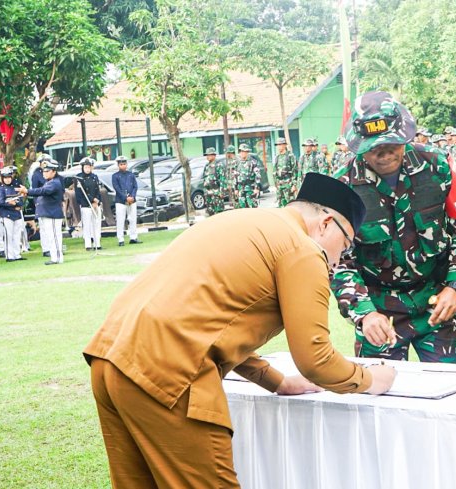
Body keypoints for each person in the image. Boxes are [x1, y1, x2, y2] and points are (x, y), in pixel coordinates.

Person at [84, 172, 397, 488]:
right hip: (169, 372)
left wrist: (276, 381)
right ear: (326, 224)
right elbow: (315, 358)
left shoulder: (242, 221)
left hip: (109, 358)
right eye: (344, 245)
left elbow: (207, 318)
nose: (337, 261)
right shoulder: (302, 248)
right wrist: (371, 380)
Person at [332, 91, 456, 364]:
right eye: (374, 148)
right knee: (381, 397)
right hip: (379, 313)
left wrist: (455, 286)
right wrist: (364, 313)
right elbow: (338, 261)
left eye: (392, 144)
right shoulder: (343, 187)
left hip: (435, 304)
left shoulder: (438, 165)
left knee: (452, 392)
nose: (384, 154)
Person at [18, 160, 65, 265]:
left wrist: (27, 191)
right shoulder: (50, 182)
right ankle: (54, 257)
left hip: (52, 213)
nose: (45, 173)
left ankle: (57, 257)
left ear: (53, 172)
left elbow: (42, 191)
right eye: (44, 171)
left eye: (47, 171)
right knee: (51, 236)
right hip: (48, 213)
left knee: (55, 237)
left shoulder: (55, 182)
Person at [0, 166, 26, 262]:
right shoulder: (0, 188)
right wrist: (11, 204)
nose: (7, 179)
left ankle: (17, 254)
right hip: (6, 214)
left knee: (17, 235)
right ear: (2, 178)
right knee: (8, 235)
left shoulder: (16, 187)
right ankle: (9, 256)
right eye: (5, 177)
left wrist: (16, 203)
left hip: (16, 214)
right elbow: (0, 202)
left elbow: (21, 200)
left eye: (9, 177)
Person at [111, 155, 141, 245]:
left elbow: (135, 186)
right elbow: (117, 188)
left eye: (124, 164)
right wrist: (125, 198)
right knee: (120, 220)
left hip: (132, 201)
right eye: (121, 164)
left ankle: (133, 237)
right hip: (121, 201)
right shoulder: (115, 176)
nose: (123, 166)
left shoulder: (131, 175)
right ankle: (120, 239)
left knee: (132, 219)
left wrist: (132, 197)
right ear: (118, 165)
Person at [75, 158, 103, 250]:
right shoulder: (79, 177)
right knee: (87, 225)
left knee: (97, 224)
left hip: (95, 204)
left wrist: (98, 200)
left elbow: (97, 190)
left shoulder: (94, 177)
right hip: (86, 204)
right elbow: (81, 193)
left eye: (89, 167)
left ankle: (97, 243)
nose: (87, 169)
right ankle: (88, 245)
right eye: (85, 167)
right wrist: (92, 200)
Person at [232, 144, 262, 209]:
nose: (243, 153)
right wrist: (235, 188)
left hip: (250, 188)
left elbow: (258, 175)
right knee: (242, 207)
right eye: (242, 151)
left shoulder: (253, 162)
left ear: (247, 152)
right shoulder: (236, 162)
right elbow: (235, 176)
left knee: (252, 206)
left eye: (245, 152)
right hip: (240, 188)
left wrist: (256, 188)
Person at [203, 147, 228, 216]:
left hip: (217, 192)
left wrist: (222, 192)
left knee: (219, 213)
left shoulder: (219, 165)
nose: (207, 157)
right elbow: (204, 178)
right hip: (208, 192)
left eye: (209, 155)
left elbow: (223, 179)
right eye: (207, 155)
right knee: (210, 212)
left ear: (214, 155)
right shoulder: (207, 166)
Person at [273, 138, 298, 207]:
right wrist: (276, 183)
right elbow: (274, 171)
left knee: (290, 204)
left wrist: (294, 185)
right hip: (280, 184)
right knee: (281, 204)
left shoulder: (290, 156)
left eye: (280, 144)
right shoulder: (277, 157)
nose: (279, 146)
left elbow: (295, 170)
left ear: (285, 145)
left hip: (288, 184)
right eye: (278, 145)